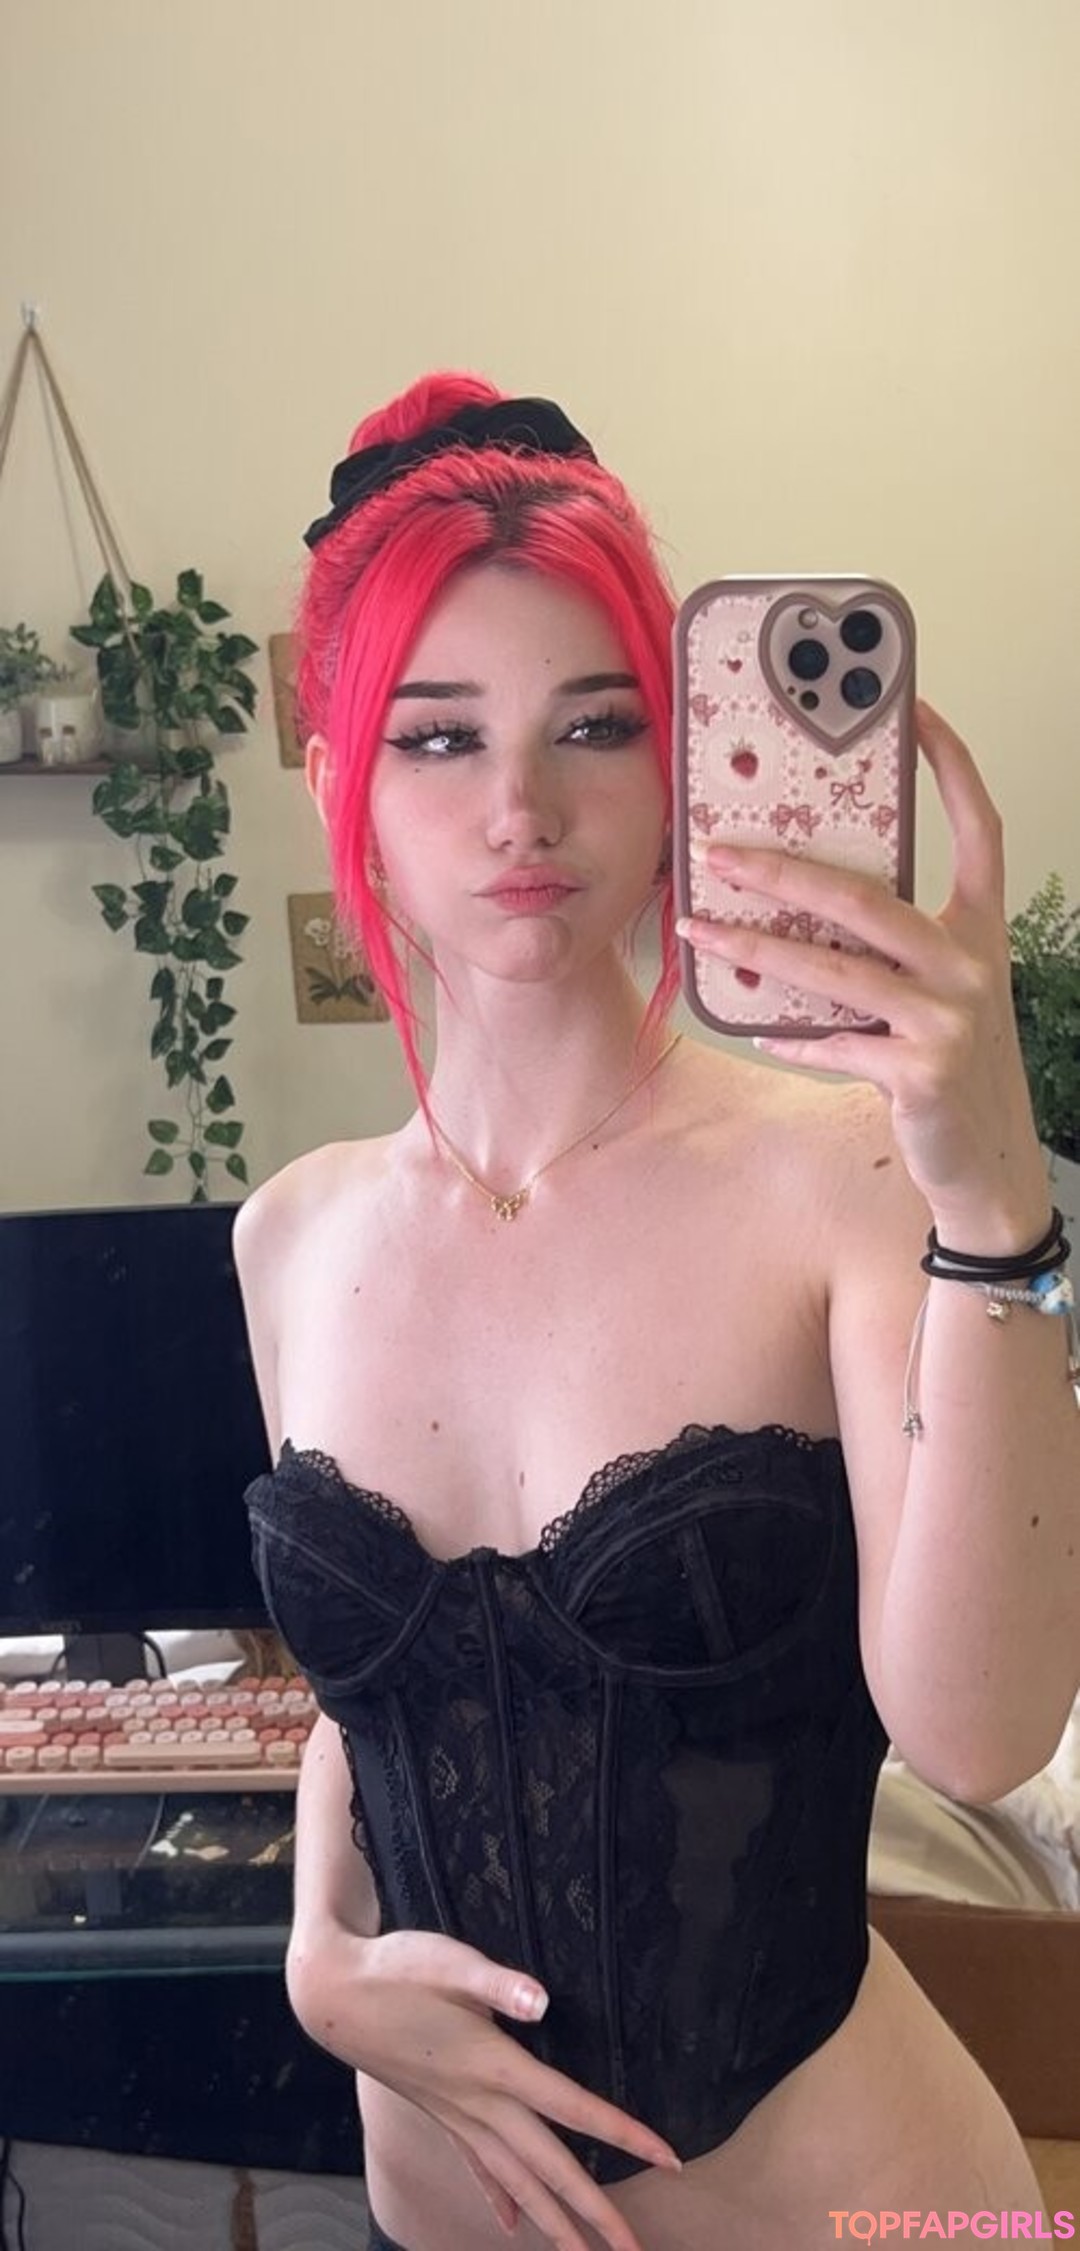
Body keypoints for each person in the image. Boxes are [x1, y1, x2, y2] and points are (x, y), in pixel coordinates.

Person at [233, 372, 1080, 2251]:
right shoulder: (288, 1239)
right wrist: (316, 1951)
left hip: (857, 2202)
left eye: (595, 725)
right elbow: (379, 1692)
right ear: (337, 782)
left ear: (684, 759)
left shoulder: (849, 1177)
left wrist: (992, 1201)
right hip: (444, 2206)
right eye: (437, 737)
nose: (519, 807)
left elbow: (983, 1735)